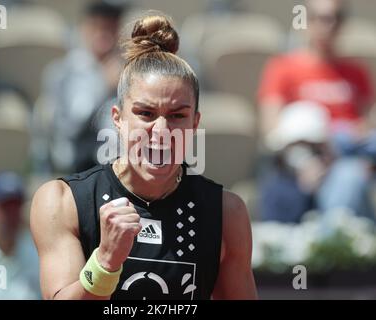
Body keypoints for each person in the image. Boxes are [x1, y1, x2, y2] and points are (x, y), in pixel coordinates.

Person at [31, 14, 257, 300]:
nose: (161, 131)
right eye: (146, 114)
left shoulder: (227, 213)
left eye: (177, 116)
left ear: (195, 124)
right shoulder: (63, 201)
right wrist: (105, 261)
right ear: (117, 119)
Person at [258, 0, 375, 223]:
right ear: (306, 21)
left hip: (352, 152)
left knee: (352, 168)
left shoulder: (356, 71)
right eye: (322, 18)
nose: (329, 26)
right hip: (312, 152)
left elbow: (369, 122)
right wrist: (305, 160)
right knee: (349, 178)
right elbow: (271, 130)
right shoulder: (284, 67)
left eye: (337, 18)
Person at [43, 1, 125, 173]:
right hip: (79, 163)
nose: (105, 35)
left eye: (111, 28)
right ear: (84, 29)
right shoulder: (64, 71)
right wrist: (103, 84)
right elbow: (72, 126)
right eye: (98, 27)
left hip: (120, 162)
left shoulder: (126, 69)